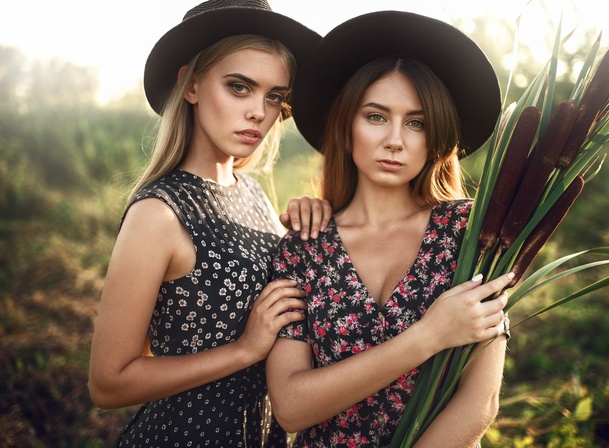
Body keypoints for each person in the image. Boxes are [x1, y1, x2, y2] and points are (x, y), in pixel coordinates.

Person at [87, 1, 330, 446]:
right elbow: (109, 382)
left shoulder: (253, 194)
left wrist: (306, 228)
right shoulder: (157, 215)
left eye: (274, 95)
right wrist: (243, 350)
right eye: (239, 87)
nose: (259, 111)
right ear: (191, 85)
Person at [266, 11, 510, 448]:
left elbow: (479, 401)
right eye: (376, 117)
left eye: (416, 123)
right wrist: (428, 336)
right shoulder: (304, 246)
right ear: (345, 127)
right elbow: (290, 406)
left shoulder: (472, 233)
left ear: (435, 136)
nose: (395, 139)